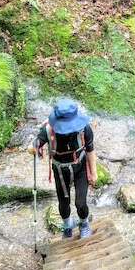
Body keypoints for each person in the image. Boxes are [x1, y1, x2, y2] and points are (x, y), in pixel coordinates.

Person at [27, 99, 97, 239]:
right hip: (60, 170)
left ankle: (84, 224)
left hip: (80, 167)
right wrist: (34, 148)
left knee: (80, 203)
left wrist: (93, 172)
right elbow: (33, 146)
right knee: (63, 203)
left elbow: (90, 150)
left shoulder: (84, 129)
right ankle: (68, 225)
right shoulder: (49, 131)